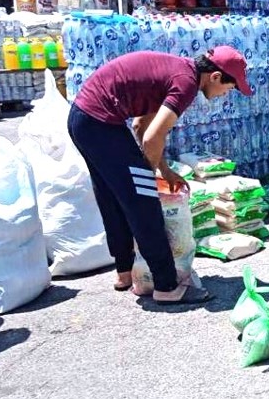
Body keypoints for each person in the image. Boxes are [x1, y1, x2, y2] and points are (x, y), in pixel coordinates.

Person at [67, 46, 251, 305]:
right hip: (101, 124)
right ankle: (167, 286)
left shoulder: (176, 72)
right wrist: (147, 180)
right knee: (143, 203)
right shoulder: (186, 83)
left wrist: (164, 170)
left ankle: (125, 272)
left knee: (112, 198)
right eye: (229, 89)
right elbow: (153, 136)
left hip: (83, 119)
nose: (225, 95)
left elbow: (141, 125)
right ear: (216, 77)